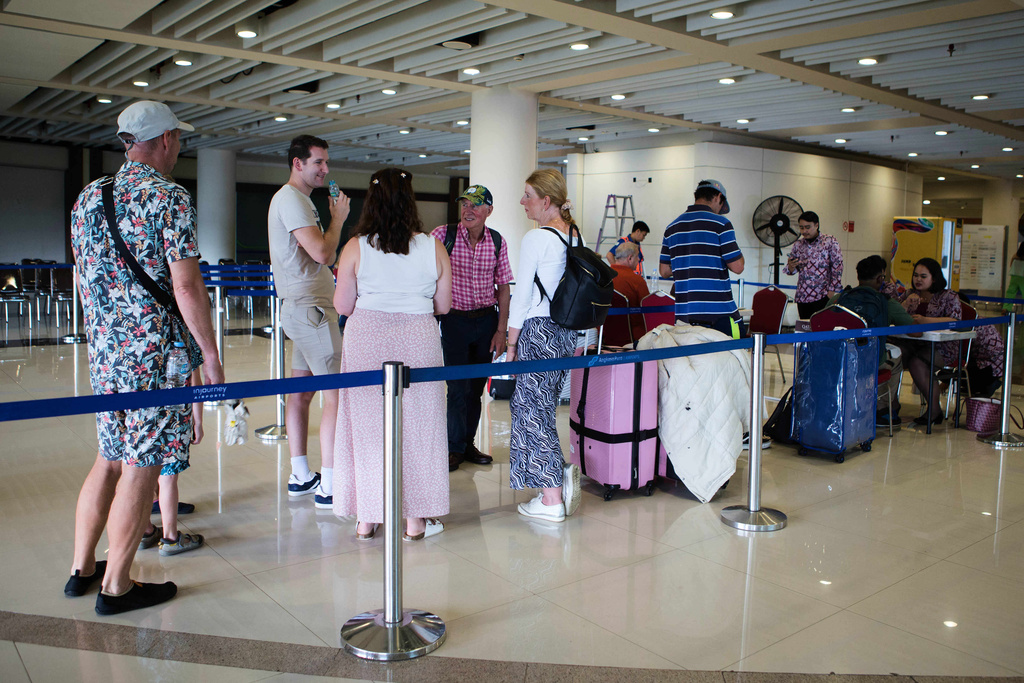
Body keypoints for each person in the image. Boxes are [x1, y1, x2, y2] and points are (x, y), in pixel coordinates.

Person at [64, 100, 224, 615]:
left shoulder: (89, 196)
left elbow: (84, 273)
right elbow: (186, 283)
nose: (178, 146)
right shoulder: (169, 197)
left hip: (107, 355)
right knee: (142, 464)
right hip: (155, 356)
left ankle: (82, 568)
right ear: (165, 139)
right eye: (177, 138)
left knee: (108, 457)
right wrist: (210, 355)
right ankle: (117, 586)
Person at [332, 167, 452, 541]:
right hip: (419, 335)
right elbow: (444, 305)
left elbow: (343, 304)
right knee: (420, 426)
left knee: (367, 427)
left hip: (367, 335)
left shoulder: (355, 246)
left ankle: (367, 516)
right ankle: (415, 520)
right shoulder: (433, 246)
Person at [268, 135, 351, 509]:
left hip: (302, 308)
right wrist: (338, 220)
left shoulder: (297, 200)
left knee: (300, 394)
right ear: (297, 163)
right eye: (318, 162)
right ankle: (330, 485)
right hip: (311, 311)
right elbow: (322, 251)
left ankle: (301, 475)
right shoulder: (291, 199)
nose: (325, 169)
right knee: (336, 394)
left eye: (327, 162)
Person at [506, 168, 583, 523]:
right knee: (543, 406)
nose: (523, 202)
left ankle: (552, 495)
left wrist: (511, 341)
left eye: (527, 196)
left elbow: (522, 295)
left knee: (531, 409)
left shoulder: (537, 239)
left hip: (538, 330)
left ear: (546, 201)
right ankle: (550, 483)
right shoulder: (574, 235)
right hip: (565, 331)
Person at [430, 185, 513, 472]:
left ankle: (467, 444)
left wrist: (501, 330)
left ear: (489, 211)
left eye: (476, 205)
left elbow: (503, 287)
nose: (468, 210)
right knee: (456, 388)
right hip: (454, 320)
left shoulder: (498, 242)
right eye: (464, 204)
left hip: (486, 321)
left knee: (476, 390)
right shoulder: (442, 235)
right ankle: (452, 448)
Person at [829, 256, 917, 425]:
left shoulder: (839, 299)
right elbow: (915, 332)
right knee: (896, 358)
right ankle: (884, 409)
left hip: (840, 360)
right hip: (869, 362)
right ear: (880, 278)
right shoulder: (885, 303)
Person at [659, 179, 745, 338]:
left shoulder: (672, 227)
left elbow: (664, 271)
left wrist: (688, 264)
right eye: (721, 207)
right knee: (727, 359)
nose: (719, 211)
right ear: (718, 197)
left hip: (684, 318)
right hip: (719, 316)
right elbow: (738, 267)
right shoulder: (721, 224)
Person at [897, 257, 965, 426]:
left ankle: (934, 411)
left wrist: (924, 320)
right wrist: (905, 304)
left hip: (943, 346)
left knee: (917, 363)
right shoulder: (909, 294)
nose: (918, 279)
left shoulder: (949, 296)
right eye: (915, 275)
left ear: (934, 278)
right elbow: (895, 313)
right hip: (913, 343)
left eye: (923, 276)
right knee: (895, 356)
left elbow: (955, 320)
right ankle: (888, 408)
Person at [783, 211, 844, 319]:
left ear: (816, 225)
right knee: (805, 329)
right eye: (801, 228)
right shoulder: (798, 245)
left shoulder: (829, 241)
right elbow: (791, 270)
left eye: (807, 227)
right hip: (803, 296)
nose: (804, 231)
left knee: (821, 329)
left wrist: (831, 292)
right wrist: (791, 267)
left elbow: (837, 267)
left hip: (823, 295)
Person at [609, 241, 651, 343]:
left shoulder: (601, 278)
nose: (638, 260)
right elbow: (648, 311)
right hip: (633, 339)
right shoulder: (637, 281)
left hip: (604, 337)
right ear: (630, 258)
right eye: (637, 257)